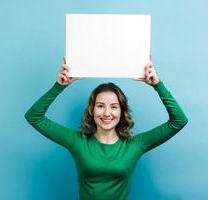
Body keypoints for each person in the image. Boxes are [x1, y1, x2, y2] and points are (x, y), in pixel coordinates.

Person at [24, 55, 188, 200]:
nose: (107, 113)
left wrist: (157, 85)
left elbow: (178, 121)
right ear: (92, 110)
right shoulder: (77, 141)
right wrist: (59, 86)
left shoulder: (135, 144)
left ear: (122, 111)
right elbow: (34, 116)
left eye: (114, 107)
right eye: (100, 106)